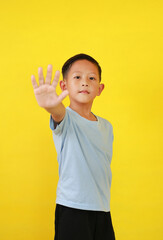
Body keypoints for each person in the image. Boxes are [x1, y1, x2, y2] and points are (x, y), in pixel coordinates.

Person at [31, 53, 116, 240]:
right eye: (77, 77)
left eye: (91, 78)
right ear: (64, 86)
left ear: (100, 88)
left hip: (102, 209)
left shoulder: (107, 127)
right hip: (72, 208)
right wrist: (51, 106)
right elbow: (58, 113)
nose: (84, 82)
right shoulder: (66, 118)